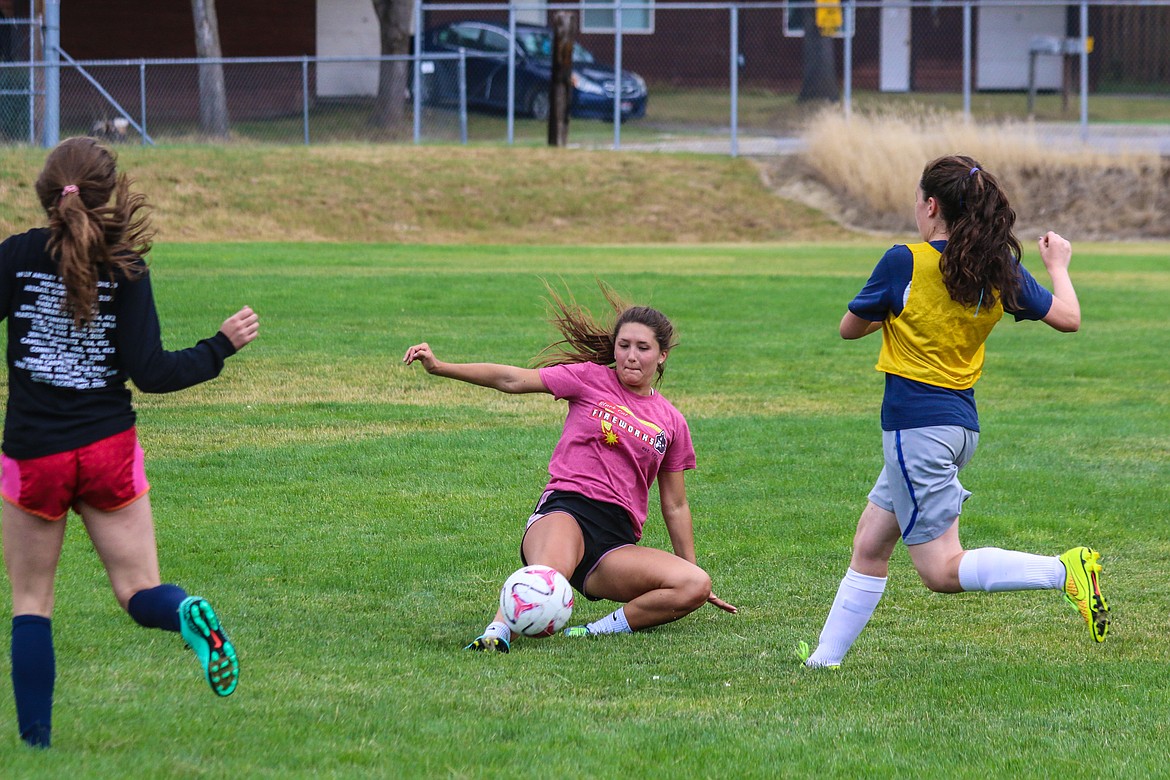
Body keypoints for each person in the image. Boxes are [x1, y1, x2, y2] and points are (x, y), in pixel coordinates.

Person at [798, 154, 1108, 669]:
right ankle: (823, 662)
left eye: (918, 202)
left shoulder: (904, 261)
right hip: (958, 428)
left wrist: (896, 315)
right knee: (871, 543)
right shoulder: (996, 267)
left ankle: (1063, 570)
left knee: (940, 571)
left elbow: (849, 327)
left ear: (932, 205)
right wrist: (1058, 267)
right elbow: (1069, 318)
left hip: (915, 429)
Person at [2, 137, 259, 748]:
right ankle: (183, 612)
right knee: (138, 589)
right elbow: (153, 373)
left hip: (34, 451)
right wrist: (219, 345)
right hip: (108, 449)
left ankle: (37, 744)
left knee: (32, 601)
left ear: (46, 191)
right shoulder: (127, 268)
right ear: (107, 193)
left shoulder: (14, 257)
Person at [403, 284, 736, 652]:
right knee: (548, 573)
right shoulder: (589, 378)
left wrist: (691, 568)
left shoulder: (672, 421)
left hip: (615, 543)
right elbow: (513, 379)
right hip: (567, 510)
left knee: (694, 583)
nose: (630, 356)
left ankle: (597, 630)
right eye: (624, 345)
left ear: (662, 356)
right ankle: (496, 634)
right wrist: (440, 367)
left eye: (643, 348)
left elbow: (675, 505)